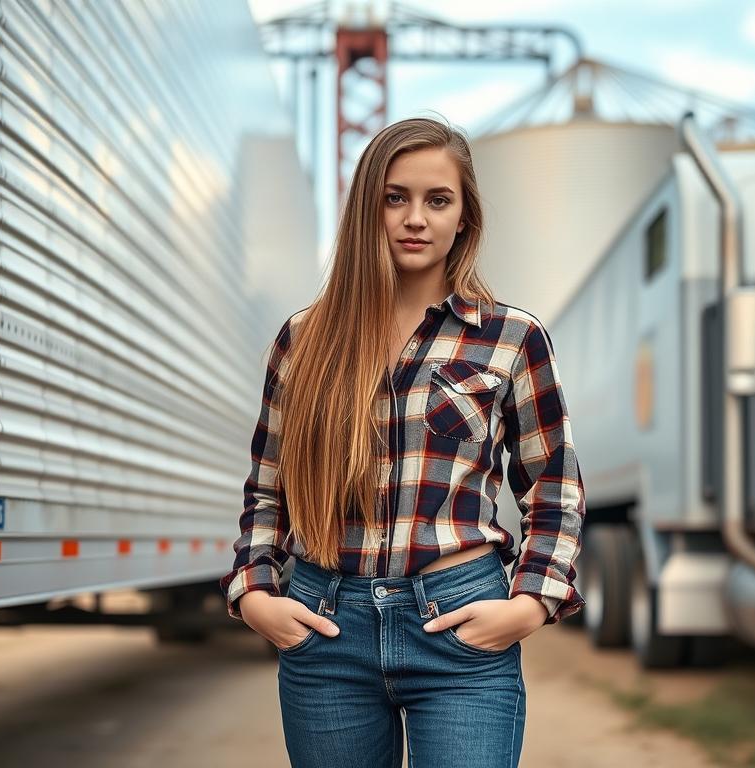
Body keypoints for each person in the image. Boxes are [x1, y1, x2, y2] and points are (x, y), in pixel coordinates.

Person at [219, 116, 586, 768]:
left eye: (437, 200)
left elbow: (553, 487)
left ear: (464, 217)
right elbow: (268, 485)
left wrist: (530, 603)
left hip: (461, 627)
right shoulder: (303, 341)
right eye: (396, 197)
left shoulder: (511, 339)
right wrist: (253, 595)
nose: (416, 217)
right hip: (325, 628)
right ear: (368, 209)